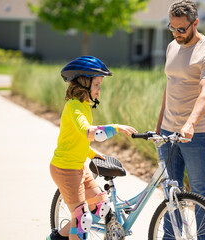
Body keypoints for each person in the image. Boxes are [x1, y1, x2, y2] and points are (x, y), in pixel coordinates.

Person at [47, 56, 137, 240]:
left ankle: (57, 238)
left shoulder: (84, 106)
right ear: (84, 84)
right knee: (82, 220)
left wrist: (92, 154)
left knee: (102, 207)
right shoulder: (74, 108)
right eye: (96, 85)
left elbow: (76, 139)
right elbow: (88, 133)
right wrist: (116, 128)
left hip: (78, 167)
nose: (99, 89)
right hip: (65, 169)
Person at [155, 0, 205, 238]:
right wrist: (159, 125)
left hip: (197, 133)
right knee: (170, 192)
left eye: (181, 29)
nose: (176, 33)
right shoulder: (173, 46)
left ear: (195, 23)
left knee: (200, 191)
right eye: (172, 28)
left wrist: (190, 124)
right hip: (167, 132)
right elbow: (170, 86)